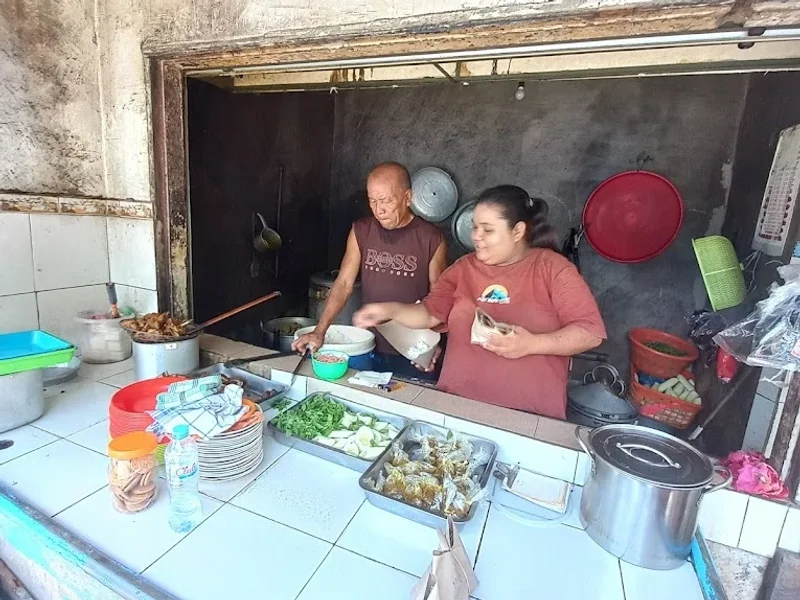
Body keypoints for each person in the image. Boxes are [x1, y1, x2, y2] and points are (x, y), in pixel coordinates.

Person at [353, 185, 606, 419]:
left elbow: (589, 332)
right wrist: (388, 310)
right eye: (475, 227)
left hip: (528, 416)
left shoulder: (552, 269)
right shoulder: (463, 268)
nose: (476, 236)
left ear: (517, 231)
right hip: (457, 407)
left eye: (488, 229)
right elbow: (430, 314)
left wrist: (532, 343)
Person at [293, 162, 447, 377]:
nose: (379, 210)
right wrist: (320, 331)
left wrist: (431, 345)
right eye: (373, 201)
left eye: (386, 201)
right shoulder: (361, 231)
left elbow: (440, 300)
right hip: (367, 343)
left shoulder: (432, 239)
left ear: (408, 197)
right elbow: (344, 284)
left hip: (411, 348)